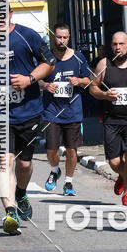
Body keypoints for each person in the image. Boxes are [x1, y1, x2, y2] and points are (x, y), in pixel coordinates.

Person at [0, 7, 56, 235]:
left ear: (11, 14)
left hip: (29, 110)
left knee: (24, 164)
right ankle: (10, 212)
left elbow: (49, 63)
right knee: (5, 162)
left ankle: (21, 193)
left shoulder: (28, 35)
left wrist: (29, 79)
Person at [90, 31, 127, 208]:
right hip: (112, 119)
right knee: (115, 162)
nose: (118, 48)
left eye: (121, 44)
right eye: (115, 44)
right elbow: (92, 87)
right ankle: (124, 175)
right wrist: (104, 94)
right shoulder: (104, 64)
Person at [41, 23, 90, 196]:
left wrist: (79, 81)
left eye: (65, 37)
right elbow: (35, 78)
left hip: (73, 110)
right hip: (52, 110)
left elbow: (90, 79)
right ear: (53, 37)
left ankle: (68, 183)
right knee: (51, 149)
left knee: (71, 149)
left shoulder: (78, 57)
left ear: (69, 38)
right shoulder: (46, 57)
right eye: (58, 37)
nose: (61, 40)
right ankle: (55, 170)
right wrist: (45, 85)